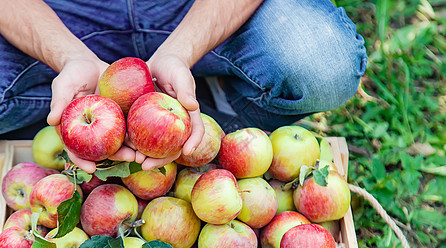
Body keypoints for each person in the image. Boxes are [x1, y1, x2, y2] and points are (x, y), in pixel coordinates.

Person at [0, 0, 367, 173]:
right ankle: (184, 111)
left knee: (324, 64)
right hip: (62, 14)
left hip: (196, 10)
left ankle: (212, 100)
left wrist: (182, 49)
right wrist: (66, 56)